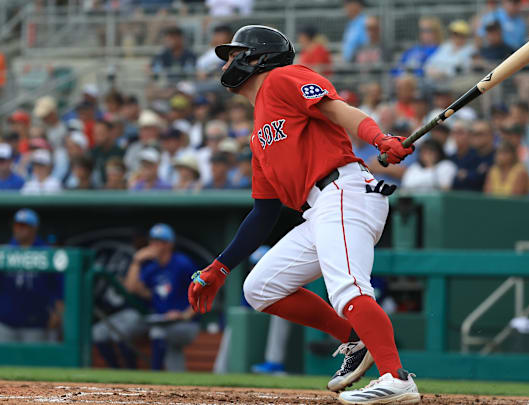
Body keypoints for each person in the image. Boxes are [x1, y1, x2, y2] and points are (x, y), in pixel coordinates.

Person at [188, 25, 419, 404]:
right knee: (259, 288)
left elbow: (337, 108)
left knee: (348, 288)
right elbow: (263, 213)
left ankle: (396, 378)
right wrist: (220, 267)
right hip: (319, 209)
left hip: (344, 191)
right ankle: (352, 337)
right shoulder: (258, 132)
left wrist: (379, 138)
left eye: (234, 53)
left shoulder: (282, 78)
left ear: (255, 57)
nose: (228, 62)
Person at [124, 224, 198, 371]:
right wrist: (136, 261)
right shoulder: (151, 267)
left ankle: (155, 375)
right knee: (128, 328)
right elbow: (131, 288)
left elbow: (202, 291)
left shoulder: (182, 263)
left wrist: (184, 315)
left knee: (158, 332)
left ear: (169, 244)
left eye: (160, 242)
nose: (155, 245)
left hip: (185, 323)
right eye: (153, 241)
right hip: (160, 320)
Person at [0, 209, 63, 342]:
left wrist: (58, 314)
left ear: (34, 228)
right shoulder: (5, 251)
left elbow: (59, 288)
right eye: (17, 225)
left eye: (24, 226)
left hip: (36, 322)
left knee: (35, 361)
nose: (19, 229)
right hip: (5, 321)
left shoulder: (47, 253)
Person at [91, 119, 125, 187]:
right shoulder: (92, 152)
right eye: (95, 133)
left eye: (100, 133)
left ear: (110, 132)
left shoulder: (121, 152)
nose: (97, 137)